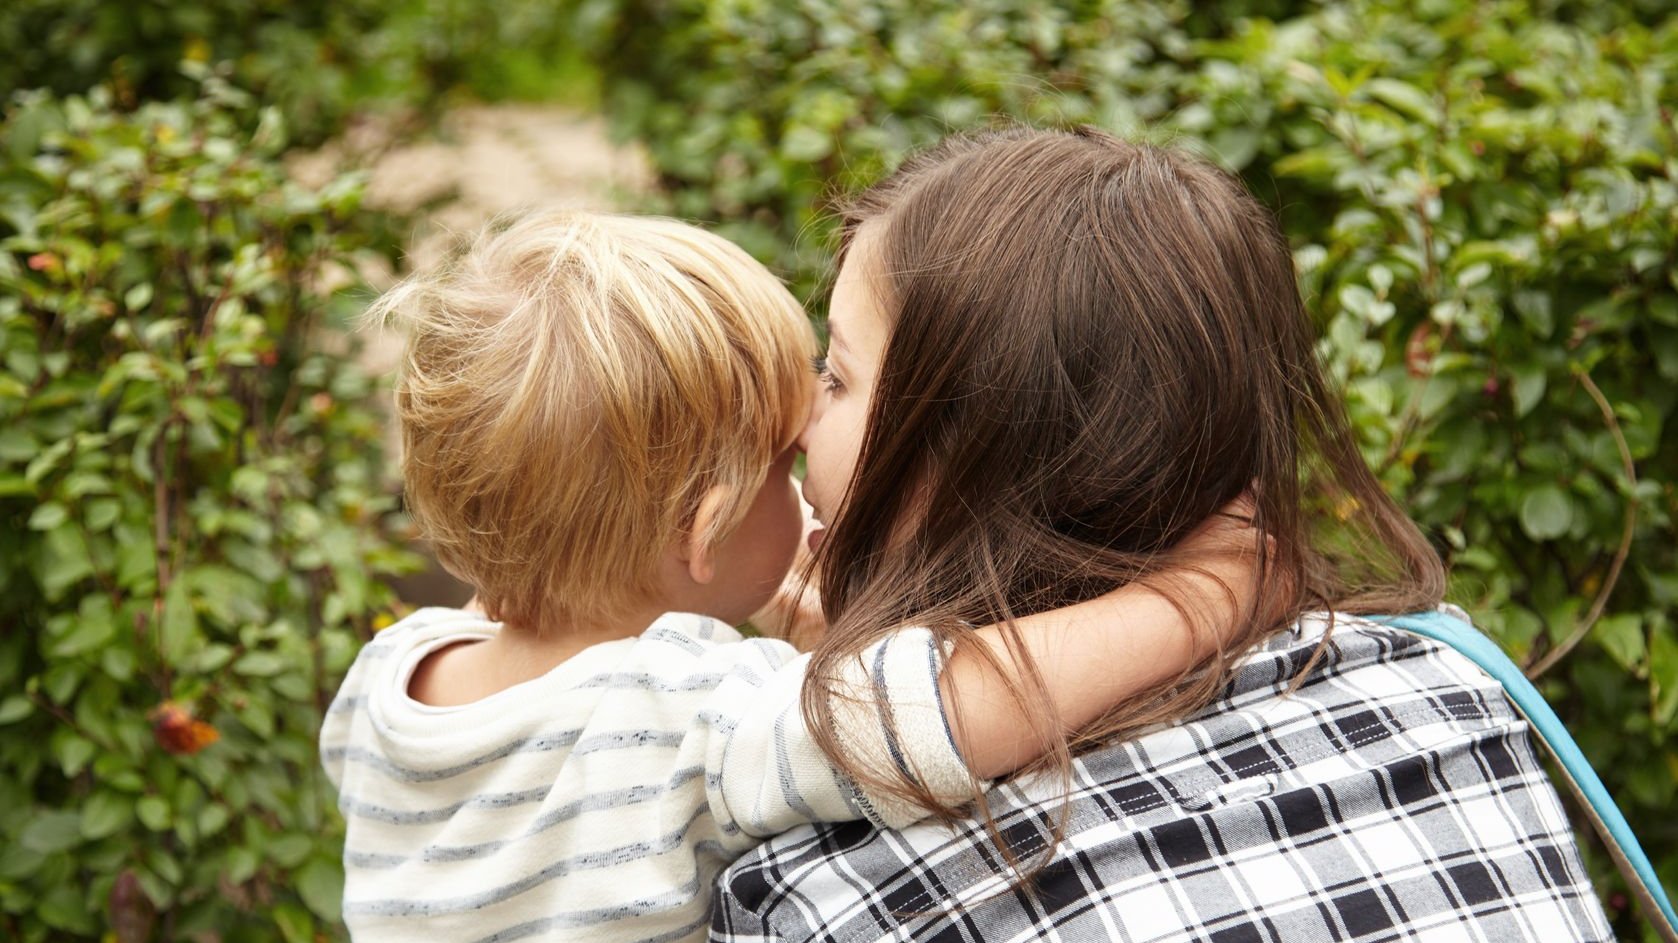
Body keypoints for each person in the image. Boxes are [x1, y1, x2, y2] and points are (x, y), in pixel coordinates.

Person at [712, 127, 1614, 942]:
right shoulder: (1447, 690)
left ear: (980, 453)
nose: (796, 423)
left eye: (834, 374)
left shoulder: (829, 888)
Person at [318, 210, 1262, 941]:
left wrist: (769, 607)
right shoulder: (688, 714)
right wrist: (1207, 591)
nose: (813, 451)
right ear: (707, 528)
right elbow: (939, 711)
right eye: (782, 456)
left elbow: (538, 575)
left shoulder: (393, 678)